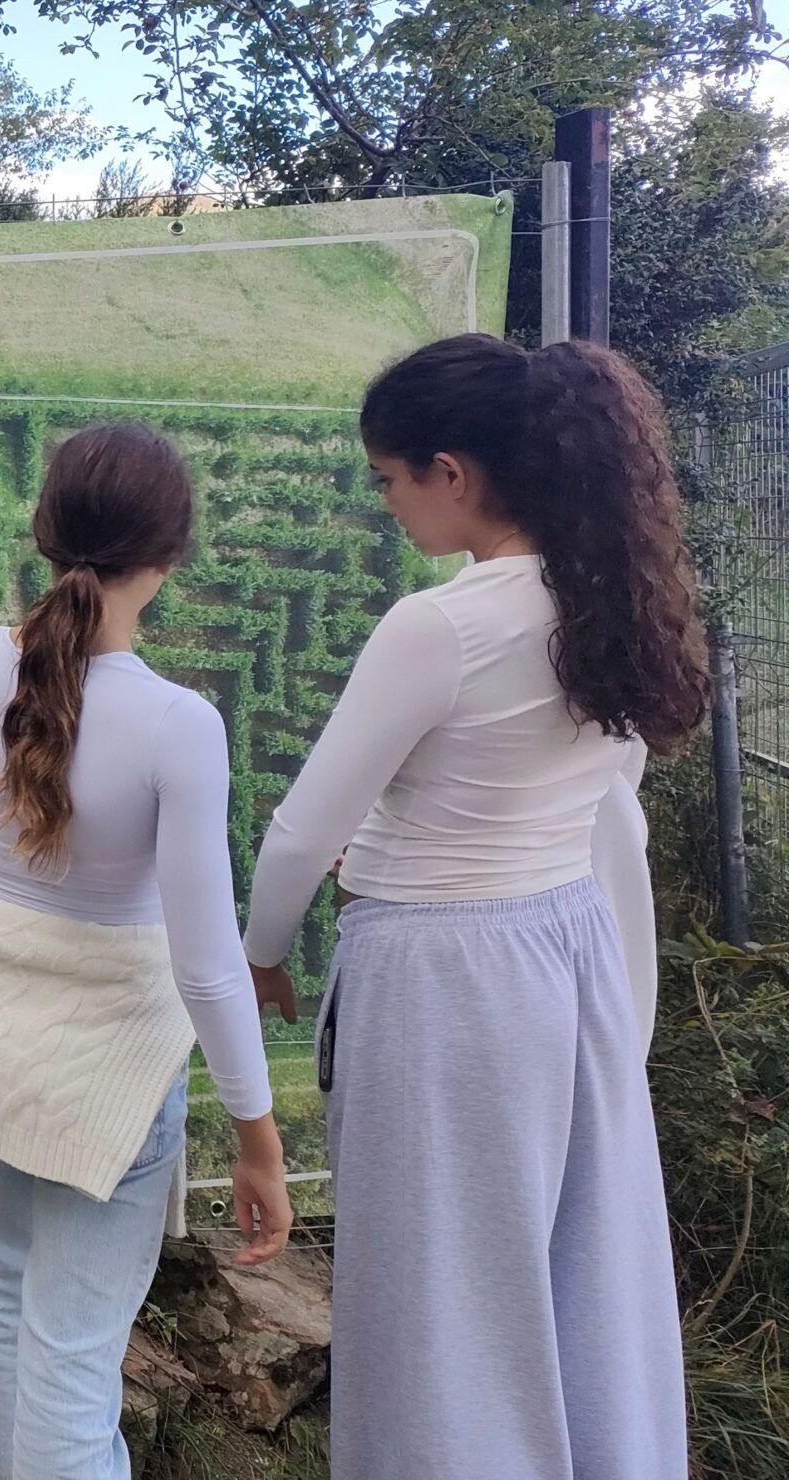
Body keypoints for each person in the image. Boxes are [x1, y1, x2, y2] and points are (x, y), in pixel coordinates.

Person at [243, 333, 706, 1480]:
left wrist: (259, 952)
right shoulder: (610, 596)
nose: (391, 504)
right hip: (567, 951)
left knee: (439, 1288)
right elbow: (609, 790)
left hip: (437, 975)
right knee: (581, 1260)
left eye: (390, 480)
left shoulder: (440, 625)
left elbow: (302, 828)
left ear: (450, 471)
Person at [0, 422, 292, 1480]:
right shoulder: (176, 724)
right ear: (167, 559)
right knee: (73, 1355)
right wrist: (258, 1136)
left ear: (42, 532)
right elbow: (206, 962)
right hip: (102, 1078)